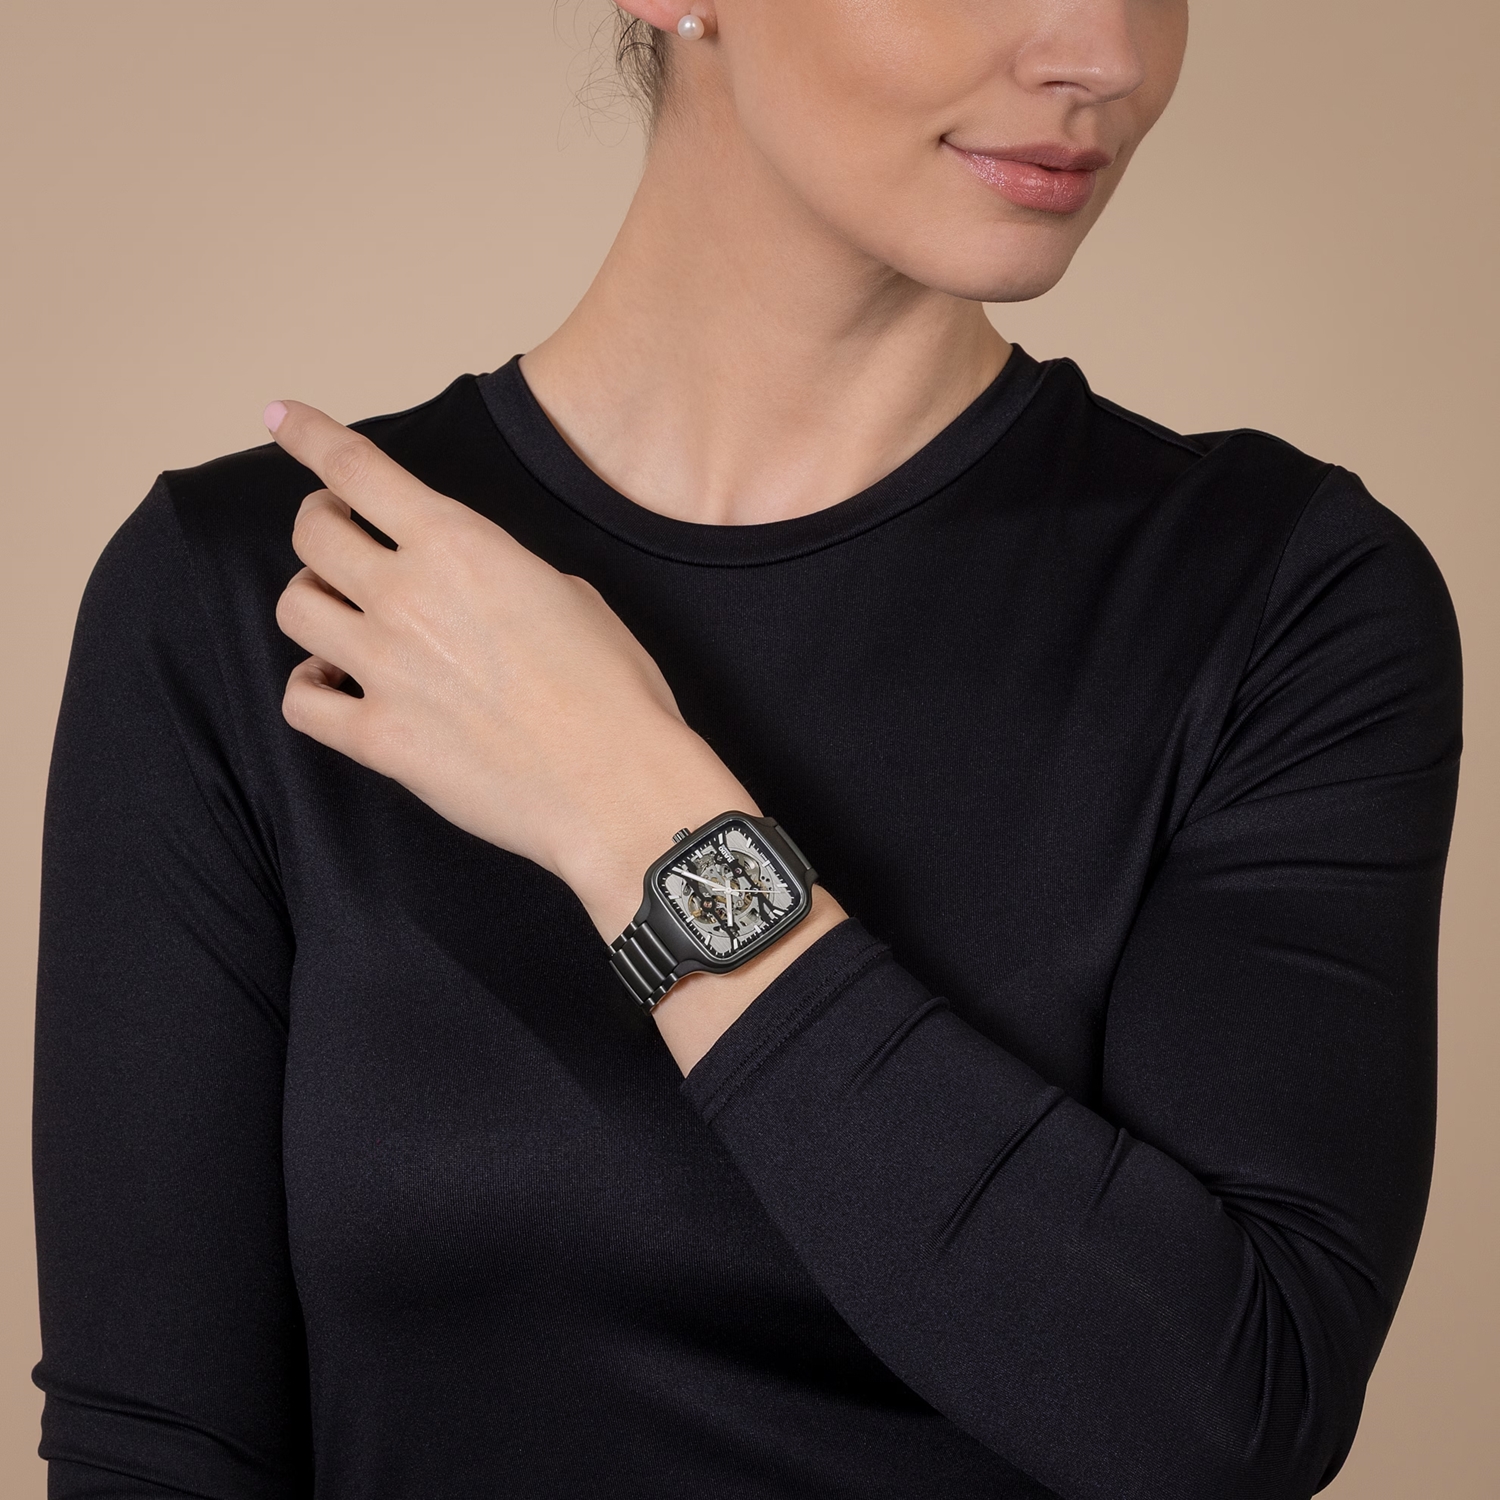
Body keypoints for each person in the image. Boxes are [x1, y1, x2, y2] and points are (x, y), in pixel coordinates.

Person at [33, 2, 1462, 1497]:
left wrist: (625, 805)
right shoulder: (268, 597)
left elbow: (1225, 1422)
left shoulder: (1277, 600)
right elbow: (156, 1454)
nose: (1103, 53)